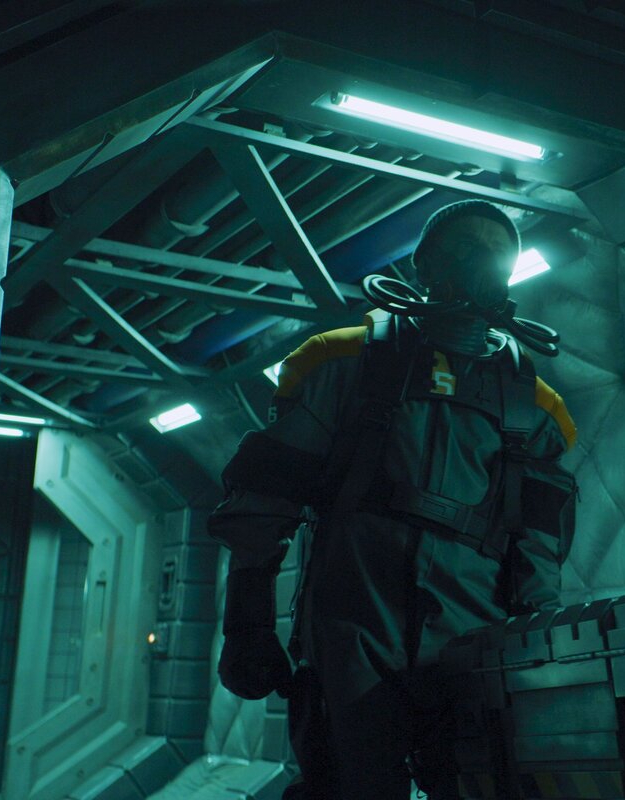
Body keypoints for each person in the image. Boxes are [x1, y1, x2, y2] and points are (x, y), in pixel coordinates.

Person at [207, 199, 579, 798]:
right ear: (424, 263)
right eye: (465, 246)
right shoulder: (339, 361)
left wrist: (536, 650)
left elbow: (538, 544)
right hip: (353, 634)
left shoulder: (536, 405)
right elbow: (264, 501)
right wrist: (247, 624)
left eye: (497, 251)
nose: (481, 259)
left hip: (470, 645)